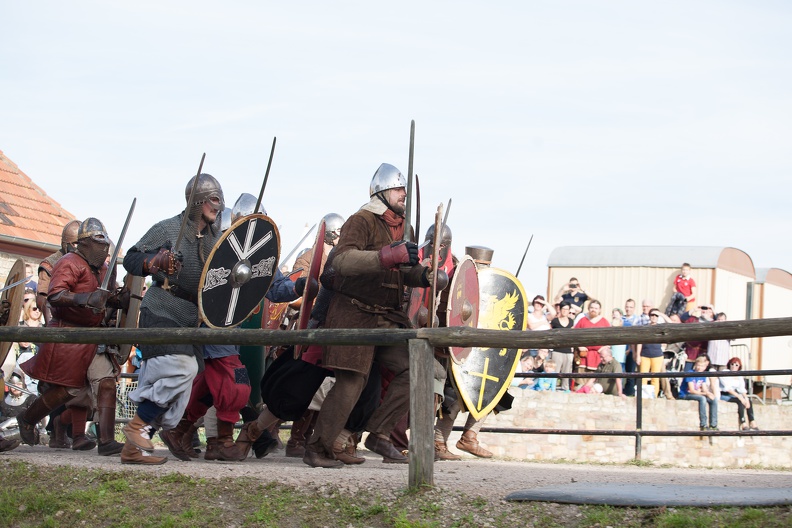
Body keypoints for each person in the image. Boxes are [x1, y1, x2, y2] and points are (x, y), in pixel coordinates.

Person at [302, 163, 440, 468]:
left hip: (387, 317)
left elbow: (406, 271)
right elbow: (341, 262)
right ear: (381, 192)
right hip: (353, 313)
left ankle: (378, 433)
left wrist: (424, 276)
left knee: (417, 369)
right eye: (398, 189)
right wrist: (388, 255)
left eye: (404, 190)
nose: (404, 195)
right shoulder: (360, 220)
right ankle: (317, 447)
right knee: (351, 383)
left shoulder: (405, 228)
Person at [121, 173, 225, 465]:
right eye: (212, 200)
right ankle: (137, 426)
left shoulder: (218, 239)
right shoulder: (168, 228)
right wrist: (155, 261)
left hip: (191, 317)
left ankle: (133, 448)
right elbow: (131, 258)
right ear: (196, 201)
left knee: (182, 386)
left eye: (219, 199)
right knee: (181, 368)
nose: (217, 206)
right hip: (163, 308)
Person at [17, 218, 125, 450]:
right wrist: (85, 299)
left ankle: (106, 441)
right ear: (83, 243)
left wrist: (118, 299)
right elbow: (55, 296)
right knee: (68, 389)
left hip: (94, 335)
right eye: (98, 243)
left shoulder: (103, 269)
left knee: (106, 382)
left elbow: (104, 299)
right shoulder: (69, 263)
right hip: (70, 335)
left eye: (105, 244)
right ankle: (27, 418)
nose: (103, 249)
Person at [36, 220, 81, 325]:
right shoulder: (50, 264)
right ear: (66, 244)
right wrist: (51, 325)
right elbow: (42, 298)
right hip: (58, 319)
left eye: (81, 244)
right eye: (75, 243)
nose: (78, 247)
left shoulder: (86, 264)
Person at [573, 300, 611, 384]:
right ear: (588, 308)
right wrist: (579, 346)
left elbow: (610, 337)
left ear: (600, 310)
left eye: (596, 308)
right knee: (581, 381)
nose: (593, 310)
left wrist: (604, 348)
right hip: (584, 355)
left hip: (599, 355)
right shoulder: (582, 320)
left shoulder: (604, 322)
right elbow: (574, 335)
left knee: (596, 381)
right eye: (592, 308)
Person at [680, 356, 718, 431]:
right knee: (702, 398)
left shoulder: (703, 375)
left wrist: (709, 393)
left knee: (714, 400)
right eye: (698, 365)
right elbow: (692, 390)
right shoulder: (690, 373)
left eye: (701, 366)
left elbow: (704, 388)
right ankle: (703, 424)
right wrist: (705, 394)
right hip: (686, 394)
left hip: (697, 393)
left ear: (705, 367)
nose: (699, 368)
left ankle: (713, 424)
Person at [719, 357, 757, 431]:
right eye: (732, 364)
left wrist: (746, 398)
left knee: (748, 401)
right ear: (729, 365)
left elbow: (741, 389)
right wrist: (740, 397)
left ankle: (752, 421)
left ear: (739, 366)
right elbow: (728, 388)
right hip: (725, 394)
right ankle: (743, 423)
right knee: (740, 402)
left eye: (736, 365)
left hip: (734, 394)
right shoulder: (725, 372)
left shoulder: (739, 376)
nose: (734, 366)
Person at [635, 309, 665, 397]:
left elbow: (672, 323)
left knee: (655, 378)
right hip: (645, 355)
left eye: (656, 315)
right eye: (652, 315)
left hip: (657, 355)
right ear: (649, 316)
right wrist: (637, 356)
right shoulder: (644, 327)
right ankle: (642, 396)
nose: (654, 317)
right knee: (643, 377)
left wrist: (661, 314)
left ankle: (654, 396)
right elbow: (639, 342)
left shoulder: (661, 327)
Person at [549, 302, 574, 391]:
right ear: (560, 309)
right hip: (557, 350)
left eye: (567, 309)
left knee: (567, 372)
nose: (565, 311)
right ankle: (552, 388)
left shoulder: (571, 321)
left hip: (568, 350)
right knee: (555, 371)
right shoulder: (555, 321)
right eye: (563, 309)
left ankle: (565, 389)